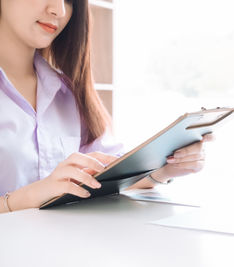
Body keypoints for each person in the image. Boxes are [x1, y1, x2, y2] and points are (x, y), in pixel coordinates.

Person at [0, 0, 212, 213]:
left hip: (63, 242)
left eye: (70, 1)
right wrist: (26, 197)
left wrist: (167, 167)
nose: (60, 10)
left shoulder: (67, 93)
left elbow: (108, 173)